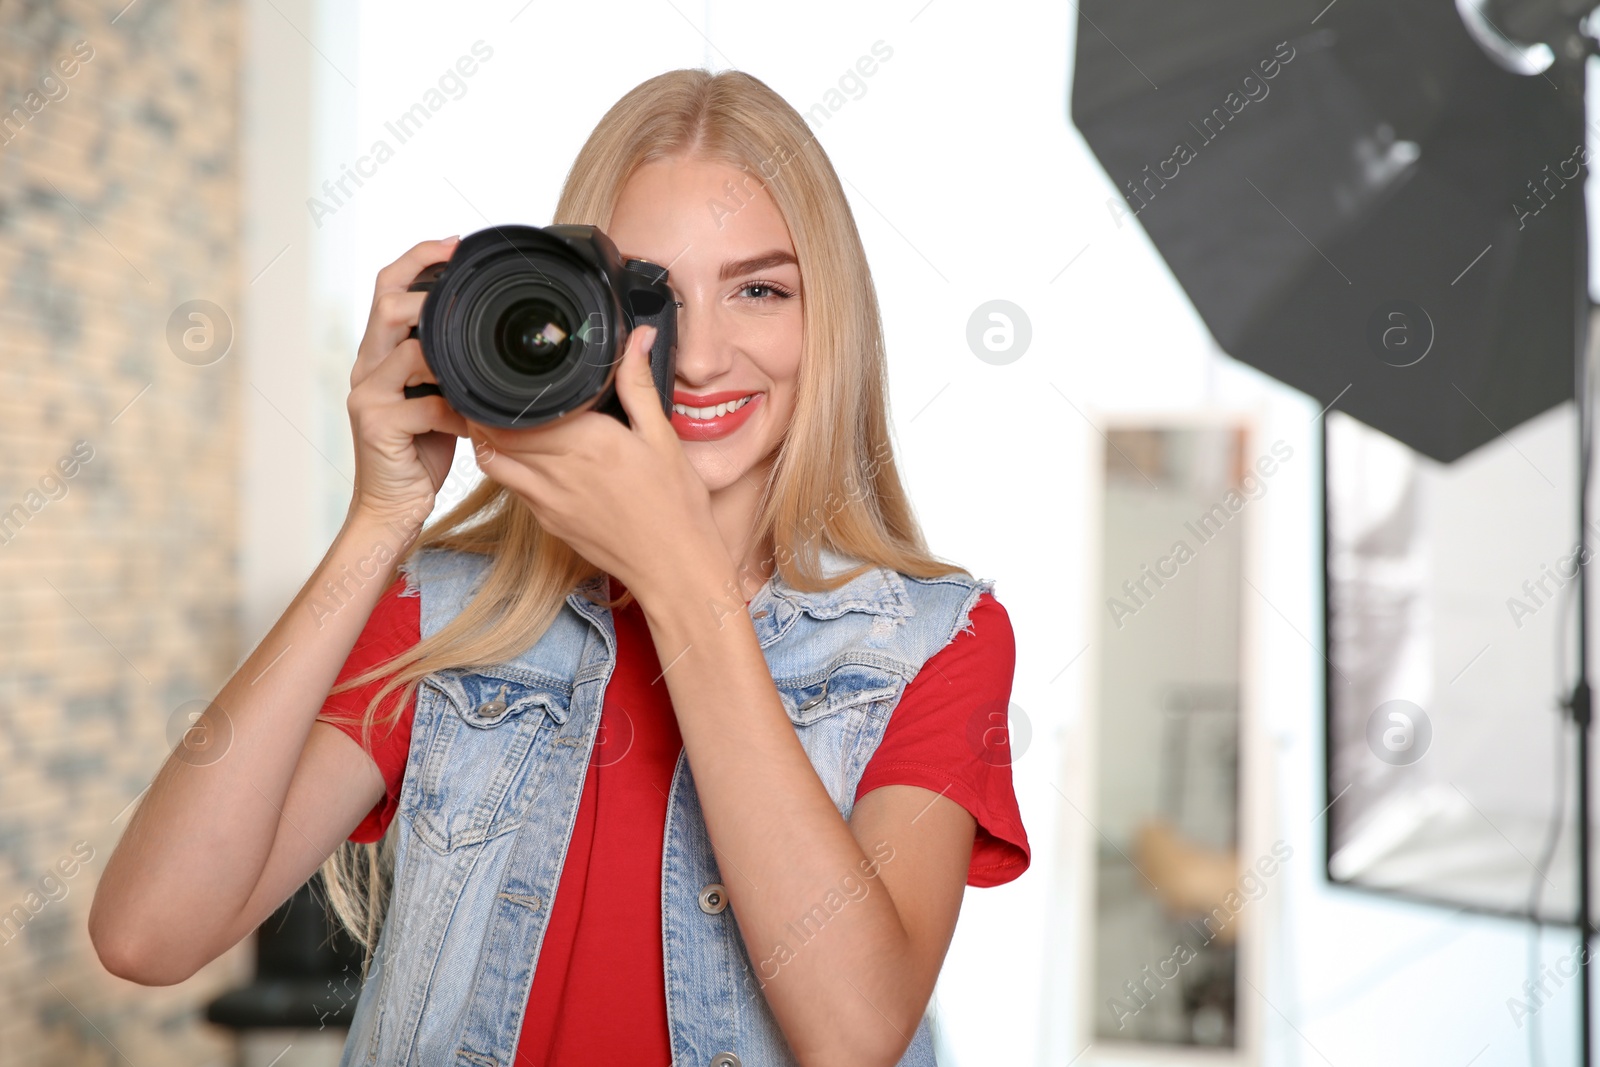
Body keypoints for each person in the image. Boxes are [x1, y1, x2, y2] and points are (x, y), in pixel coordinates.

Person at [89, 67, 1029, 1066]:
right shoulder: (450, 611)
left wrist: (680, 583)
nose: (703, 356)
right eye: (653, 295)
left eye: (759, 288)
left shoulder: (931, 639)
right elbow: (148, 933)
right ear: (573, 309)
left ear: (827, 317)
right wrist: (380, 516)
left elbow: (855, 1032)